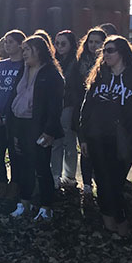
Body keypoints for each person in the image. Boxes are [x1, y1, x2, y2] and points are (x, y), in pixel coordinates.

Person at [79, 35, 132, 236]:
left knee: (114, 183)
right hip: (97, 138)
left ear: (122, 52)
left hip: (124, 141)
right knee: (102, 183)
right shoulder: (98, 76)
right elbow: (86, 109)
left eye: (110, 50)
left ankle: (123, 226)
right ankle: (109, 226)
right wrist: (83, 137)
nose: (105, 54)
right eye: (104, 50)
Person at [8, 35, 64, 220]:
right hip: (20, 123)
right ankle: (24, 203)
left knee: (41, 167)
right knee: (23, 165)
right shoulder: (23, 71)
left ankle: (46, 207)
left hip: (40, 126)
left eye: (27, 49)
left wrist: (49, 131)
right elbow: (14, 97)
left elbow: (55, 106)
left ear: (39, 50)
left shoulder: (51, 74)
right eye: (23, 50)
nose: (24, 53)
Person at [0, 30, 26, 200]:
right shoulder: (0, 65)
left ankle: (15, 186)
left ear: (20, 44)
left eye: (10, 42)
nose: (6, 45)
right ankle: (1, 184)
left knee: (16, 155)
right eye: (5, 42)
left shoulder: (25, 66)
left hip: (17, 120)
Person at [73, 27, 106, 195]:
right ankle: (86, 184)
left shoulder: (108, 63)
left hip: (103, 111)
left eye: (97, 42)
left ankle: (101, 181)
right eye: (91, 42)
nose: (93, 45)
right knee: (85, 147)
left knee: (100, 148)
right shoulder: (80, 61)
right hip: (83, 108)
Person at [51, 30, 79, 188]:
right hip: (55, 104)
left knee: (68, 141)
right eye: (57, 43)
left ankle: (69, 176)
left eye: (63, 44)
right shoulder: (54, 61)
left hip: (68, 105)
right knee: (55, 141)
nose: (60, 47)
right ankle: (56, 175)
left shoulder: (75, 62)